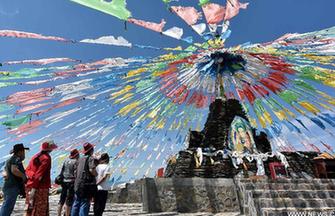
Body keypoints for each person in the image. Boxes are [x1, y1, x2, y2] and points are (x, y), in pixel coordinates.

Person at [24, 140, 58, 216]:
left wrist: (32, 179)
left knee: (29, 208)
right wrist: (34, 188)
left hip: (30, 185)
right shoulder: (46, 158)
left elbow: (27, 170)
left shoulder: (35, 156)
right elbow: (39, 175)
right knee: (40, 210)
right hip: (40, 187)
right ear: (50, 148)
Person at [0, 143, 29, 216]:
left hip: (8, 186)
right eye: (23, 152)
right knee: (8, 207)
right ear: (20, 152)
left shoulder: (9, 160)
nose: (24, 154)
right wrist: (23, 176)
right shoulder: (16, 158)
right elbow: (14, 170)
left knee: (6, 206)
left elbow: (6, 173)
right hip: (12, 186)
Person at [71, 143, 97, 216]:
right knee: (84, 203)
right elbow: (92, 170)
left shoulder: (79, 159)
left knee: (76, 203)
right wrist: (96, 174)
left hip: (77, 184)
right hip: (85, 185)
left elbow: (75, 171)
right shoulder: (90, 158)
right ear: (91, 150)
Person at [57, 149, 79, 216]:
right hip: (71, 182)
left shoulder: (65, 161)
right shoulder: (76, 162)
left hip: (64, 182)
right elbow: (76, 173)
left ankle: (58, 214)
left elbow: (62, 171)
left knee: (61, 199)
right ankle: (67, 214)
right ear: (76, 155)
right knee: (68, 201)